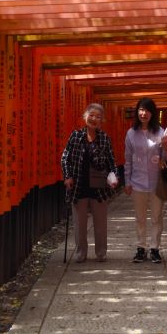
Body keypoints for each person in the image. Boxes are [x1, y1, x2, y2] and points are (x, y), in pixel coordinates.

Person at [61, 103, 119, 263]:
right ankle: (81, 253)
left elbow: (112, 162)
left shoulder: (104, 138)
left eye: (98, 117)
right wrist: (67, 176)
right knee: (79, 224)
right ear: (85, 116)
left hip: (99, 188)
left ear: (102, 121)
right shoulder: (75, 136)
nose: (94, 119)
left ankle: (101, 253)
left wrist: (114, 177)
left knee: (100, 223)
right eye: (91, 115)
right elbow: (65, 158)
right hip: (79, 186)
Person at [124, 97, 167, 264]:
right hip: (137, 182)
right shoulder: (131, 133)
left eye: (147, 110)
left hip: (156, 181)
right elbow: (127, 159)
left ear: (152, 113)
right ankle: (141, 248)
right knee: (140, 217)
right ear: (137, 112)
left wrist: (165, 145)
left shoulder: (159, 132)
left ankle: (155, 249)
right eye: (141, 110)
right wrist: (127, 181)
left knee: (157, 217)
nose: (144, 113)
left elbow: (166, 158)